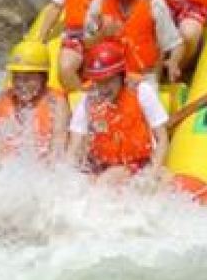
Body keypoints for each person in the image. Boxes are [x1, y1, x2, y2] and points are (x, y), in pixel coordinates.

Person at [67, 41, 169, 184]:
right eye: (99, 82)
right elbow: (74, 145)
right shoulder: (89, 99)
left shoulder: (141, 91)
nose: (103, 88)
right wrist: (67, 174)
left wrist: (152, 173)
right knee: (93, 180)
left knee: (109, 180)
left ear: (121, 76)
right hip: (101, 165)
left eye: (109, 81)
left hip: (137, 164)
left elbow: (162, 138)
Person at [0, 40, 69, 160]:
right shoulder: (2, 99)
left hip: (39, 165)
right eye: (16, 78)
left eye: (27, 79)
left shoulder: (57, 103)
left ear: (43, 78)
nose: (21, 84)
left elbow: (59, 140)